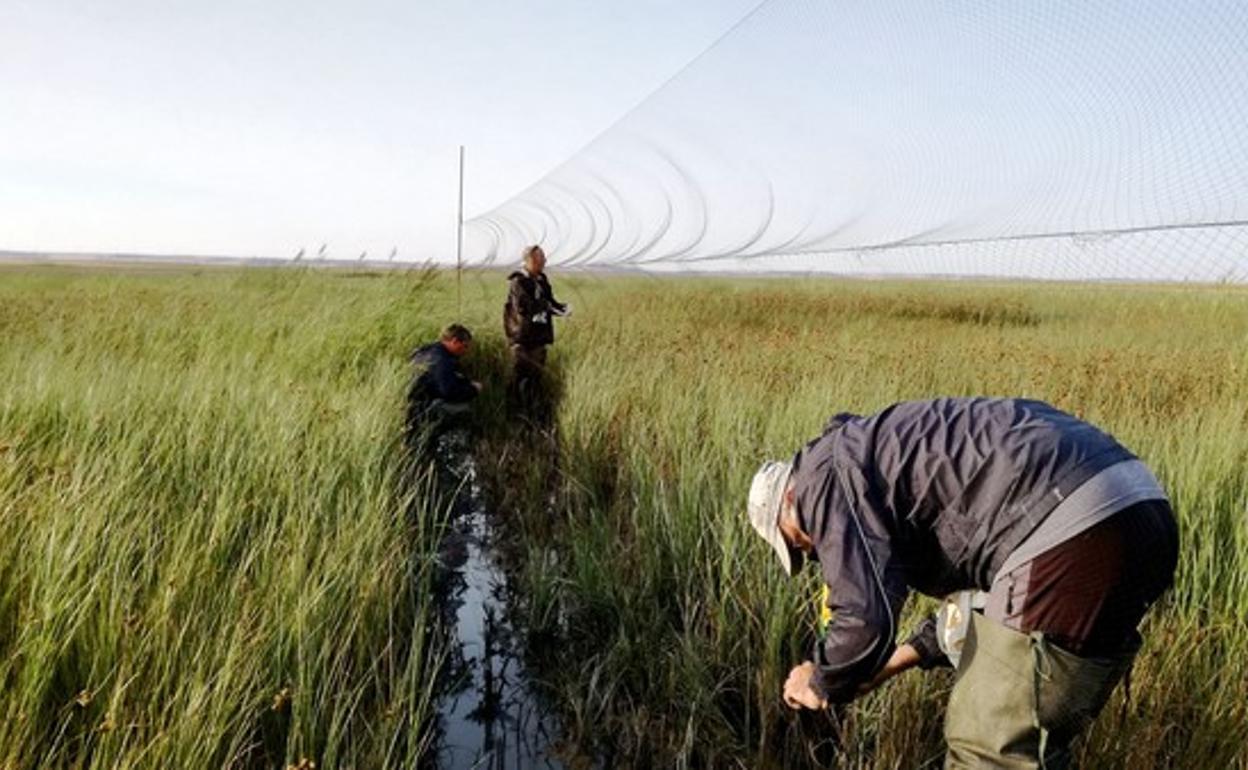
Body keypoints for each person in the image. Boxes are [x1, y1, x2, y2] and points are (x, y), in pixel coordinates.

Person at [747, 397, 1178, 769]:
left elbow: (864, 620)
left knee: (988, 747)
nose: (815, 552)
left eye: (800, 543)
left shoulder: (823, 480)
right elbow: (982, 604)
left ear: (789, 498)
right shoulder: (885, 455)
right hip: (1140, 511)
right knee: (1035, 744)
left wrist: (821, 678)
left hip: (1067, 531)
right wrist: (895, 663)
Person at [502, 245, 569, 416]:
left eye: (544, 258)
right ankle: (512, 414)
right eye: (541, 258)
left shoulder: (541, 279)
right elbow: (524, 307)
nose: (544, 261)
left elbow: (549, 301)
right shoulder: (518, 281)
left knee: (536, 378)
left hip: (538, 337)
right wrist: (547, 307)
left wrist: (561, 308)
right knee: (518, 377)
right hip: (521, 338)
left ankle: (532, 413)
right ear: (529, 260)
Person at [405, 324, 481, 455]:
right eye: (465, 346)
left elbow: (439, 380)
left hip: (409, 405)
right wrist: (473, 389)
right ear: (455, 341)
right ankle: (450, 445)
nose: (466, 351)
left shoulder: (426, 350)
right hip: (422, 409)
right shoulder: (442, 361)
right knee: (463, 409)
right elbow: (449, 392)